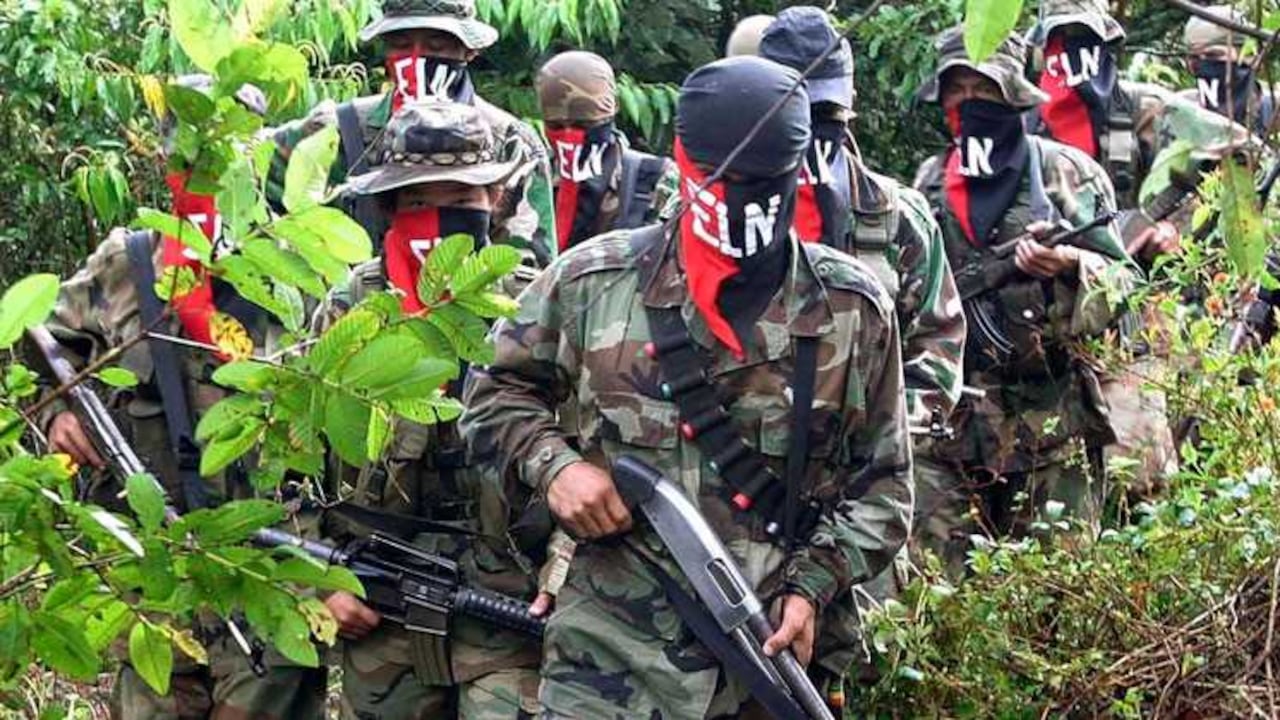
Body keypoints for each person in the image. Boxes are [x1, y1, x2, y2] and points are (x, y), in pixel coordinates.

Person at [460, 56, 913, 718]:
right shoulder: (593, 282)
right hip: (610, 659)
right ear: (682, 160)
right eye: (721, 178)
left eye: (761, 182)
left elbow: (886, 487)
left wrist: (813, 584)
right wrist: (555, 467)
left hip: (772, 662)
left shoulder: (850, 308)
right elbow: (493, 394)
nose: (738, 200)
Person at [40, 76, 326, 719]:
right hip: (157, 574)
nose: (205, 176)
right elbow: (45, 342)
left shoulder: (296, 267)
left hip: (267, 566)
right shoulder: (128, 261)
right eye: (189, 155)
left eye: (223, 157)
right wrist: (60, 413)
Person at [314, 101, 545, 719]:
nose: (439, 222)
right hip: (380, 601)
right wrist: (319, 576)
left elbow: (591, 452)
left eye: (461, 198)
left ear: (495, 200)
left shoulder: (535, 304)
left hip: (508, 608)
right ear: (389, 206)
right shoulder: (351, 308)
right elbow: (288, 457)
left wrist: (562, 576)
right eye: (418, 200)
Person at [758, 4, 966, 659]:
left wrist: (885, 432)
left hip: (860, 501)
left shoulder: (896, 217)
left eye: (826, 113)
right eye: (795, 109)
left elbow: (939, 344)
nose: (813, 130)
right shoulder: (722, 207)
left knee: (864, 664)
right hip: (743, 485)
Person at [912, 28, 1138, 543]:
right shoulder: (927, 184)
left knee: (1063, 583)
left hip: (1051, 430)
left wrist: (1070, 263)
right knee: (936, 584)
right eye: (957, 90)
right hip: (950, 437)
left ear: (1013, 94)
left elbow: (1127, 285)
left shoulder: (1065, 173)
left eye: (983, 89)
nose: (969, 103)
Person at [1025, 0, 1181, 502]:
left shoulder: (1144, 109)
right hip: (1046, 329)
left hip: (1132, 321)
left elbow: (1223, 166)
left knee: (1140, 482)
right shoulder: (1019, 124)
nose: (1071, 59)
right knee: (1054, 494)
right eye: (1060, 44)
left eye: (1082, 42)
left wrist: (1172, 229)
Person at [267, 0, 557, 270]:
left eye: (437, 46)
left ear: (470, 50)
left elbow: (531, 275)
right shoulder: (341, 130)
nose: (417, 57)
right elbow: (254, 176)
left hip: (473, 303)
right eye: (401, 45)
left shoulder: (511, 143)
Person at [535, 51, 678, 251]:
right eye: (556, 126)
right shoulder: (532, 178)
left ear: (613, 107)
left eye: (583, 125)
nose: (569, 135)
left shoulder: (654, 178)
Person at [1182, 5, 1275, 137]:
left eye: (1213, 55)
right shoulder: (1178, 110)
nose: (1203, 64)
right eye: (1194, 57)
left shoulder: (1273, 111)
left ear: (1248, 57)